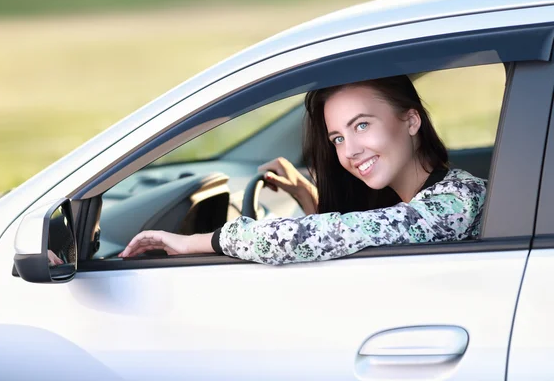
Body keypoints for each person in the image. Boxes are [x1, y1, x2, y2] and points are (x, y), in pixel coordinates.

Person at [118, 75, 486, 265]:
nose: (351, 151)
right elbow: (352, 235)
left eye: (362, 125)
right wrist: (306, 196)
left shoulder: (453, 205)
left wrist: (193, 242)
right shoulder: (430, 201)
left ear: (410, 120)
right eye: (338, 138)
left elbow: (309, 237)